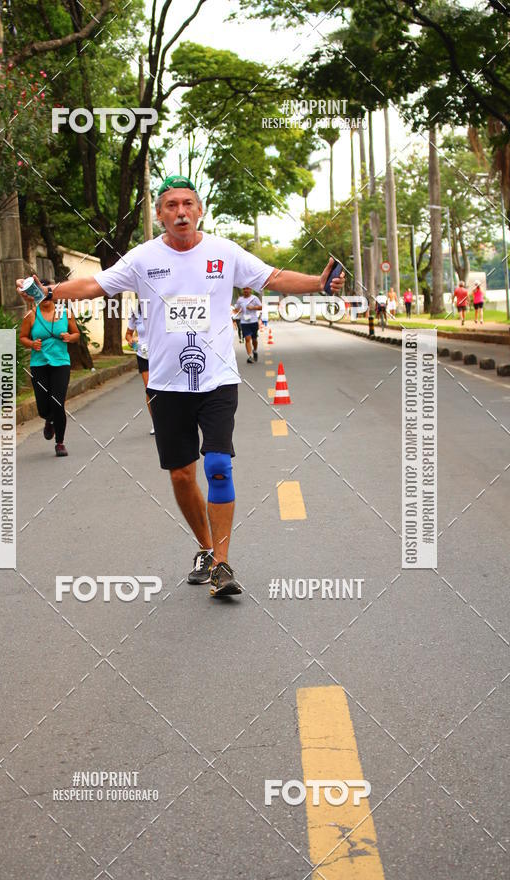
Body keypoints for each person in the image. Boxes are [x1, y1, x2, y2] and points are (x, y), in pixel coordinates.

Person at [17, 175, 344, 597]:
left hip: (218, 380)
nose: (181, 212)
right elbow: (95, 285)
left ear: (200, 210)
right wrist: (50, 290)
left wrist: (318, 283)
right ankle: (206, 548)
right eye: (171, 205)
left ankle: (222, 564)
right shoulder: (143, 257)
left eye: (188, 203)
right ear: (159, 215)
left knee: (218, 465)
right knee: (182, 475)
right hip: (166, 384)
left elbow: (273, 277)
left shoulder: (224, 252)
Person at [18, 284, 80, 456]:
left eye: (47, 294)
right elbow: (22, 337)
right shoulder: (31, 315)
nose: (44, 298)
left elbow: (76, 334)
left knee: (58, 403)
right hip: (39, 365)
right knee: (43, 407)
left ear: (53, 295)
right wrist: (32, 344)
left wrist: (69, 337)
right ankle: (48, 419)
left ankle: (60, 443)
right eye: (40, 295)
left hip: (61, 363)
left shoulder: (65, 313)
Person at [125, 301, 154, 434]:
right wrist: (131, 340)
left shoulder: (158, 307)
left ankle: (169, 419)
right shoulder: (136, 313)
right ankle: (156, 422)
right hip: (143, 354)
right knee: (150, 390)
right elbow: (128, 334)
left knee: (165, 389)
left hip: (160, 354)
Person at [232, 286, 262, 363]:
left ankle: (255, 350)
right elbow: (236, 309)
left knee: (254, 339)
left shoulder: (254, 298)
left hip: (253, 321)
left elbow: (261, 307)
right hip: (244, 322)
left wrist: (253, 308)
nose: (246, 290)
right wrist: (238, 310)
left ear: (250, 290)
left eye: (247, 289)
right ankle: (250, 356)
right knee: (247, 339)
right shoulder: (240, 300)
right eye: (244, 289)